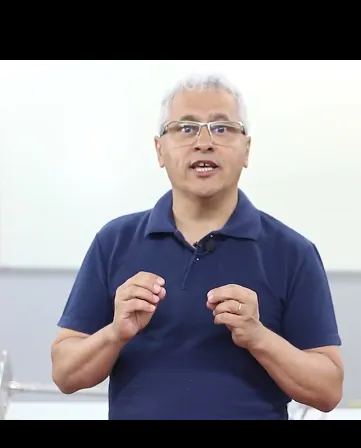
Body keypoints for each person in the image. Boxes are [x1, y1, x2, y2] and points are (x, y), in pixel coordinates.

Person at [50, 73, 344, 420]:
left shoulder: (293, 252)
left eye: (222, 128)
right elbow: (65, 373)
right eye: (186, 128)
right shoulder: (114, 241)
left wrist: (258, 337)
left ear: (246, 149)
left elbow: (327, 390)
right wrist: (116, 333)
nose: (204, 143)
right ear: (160, 150)